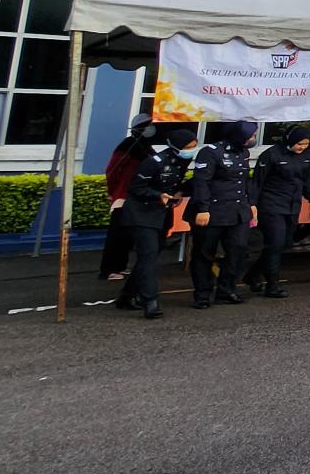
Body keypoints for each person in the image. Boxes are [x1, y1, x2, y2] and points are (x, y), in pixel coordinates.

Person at [114, 127, 195, 320]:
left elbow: (175, 185)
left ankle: (126, 296)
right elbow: (136, 188)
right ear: (177, 146)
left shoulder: (183, 160)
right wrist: (158, 195)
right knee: (148, 256)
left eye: (193, 146)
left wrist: (180, 192)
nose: (192, 149)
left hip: (161, 215)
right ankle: (150, 301)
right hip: (141, 215)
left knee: (149, 257)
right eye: (189, 146)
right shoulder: (153, 163)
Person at [185, 120, 257, 310]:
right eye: (251, 136)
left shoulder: (243, 152)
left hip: (237, 211)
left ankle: (226, 289)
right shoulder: (210, 152)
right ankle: (202, 293)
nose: (253, 139)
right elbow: (201, 182)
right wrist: (202, 208)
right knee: (204, 253)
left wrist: (251, 203)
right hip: (212, 212)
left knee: (238, 251)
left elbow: (244, 181)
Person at [248, 127, 310, 298]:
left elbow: (308, 178)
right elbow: (257, 181)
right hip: (271, 204)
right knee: (275, 242)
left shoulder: (305, 156)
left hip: (292, 204)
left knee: (285, 242)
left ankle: (252, 274)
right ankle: (272, 285)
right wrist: (253, 203)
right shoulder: (271, 155)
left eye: (306, 144)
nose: (302, 147)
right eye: (299, 144)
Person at [98, 113, 157, 282]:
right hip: (124, 195)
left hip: (137, 195)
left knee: (127, 236)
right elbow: (112, 170)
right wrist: (113, 192)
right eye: (148, 126)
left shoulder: (146, 146)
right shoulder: (128, 145)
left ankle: (120, 266)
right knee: (117, 234)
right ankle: (109, 269)